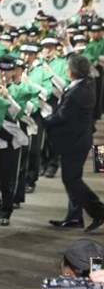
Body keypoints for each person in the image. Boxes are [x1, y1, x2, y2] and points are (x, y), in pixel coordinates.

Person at [44, 54, 104, 232]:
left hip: (76, 142)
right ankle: (74, 217)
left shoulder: (79, 92)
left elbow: (62, 116)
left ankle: (99, 211)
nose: (65, 69)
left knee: (71, 179)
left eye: (67, 67)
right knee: (72, 178)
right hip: (77, 139)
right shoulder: (85, 83)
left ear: (71, 72)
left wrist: (44, 120)